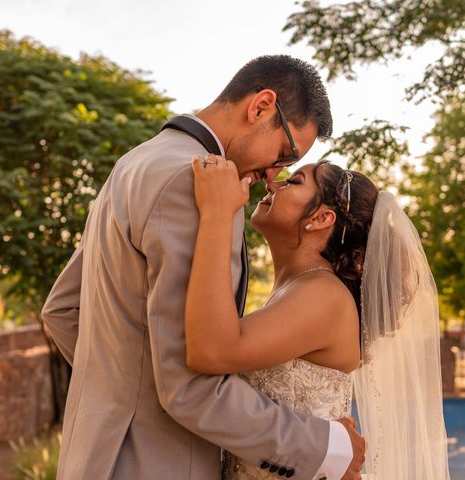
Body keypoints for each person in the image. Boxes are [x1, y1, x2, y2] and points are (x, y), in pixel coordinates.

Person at [41, 55, 366, 480]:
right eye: (285, 154)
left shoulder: (134, 162)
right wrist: (329, 448)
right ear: (261, 106)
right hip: (156, 463)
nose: (272, 175)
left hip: (96, 457)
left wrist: (121, 392)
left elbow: (63, 311)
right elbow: (190, 385)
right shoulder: (200, 187)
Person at [186, 157, 451, 479]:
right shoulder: (303, 289)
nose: (273, 183)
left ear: (322, 217)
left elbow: (213, 351)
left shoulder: (323, 296)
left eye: (294, 181)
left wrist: (216, 212)